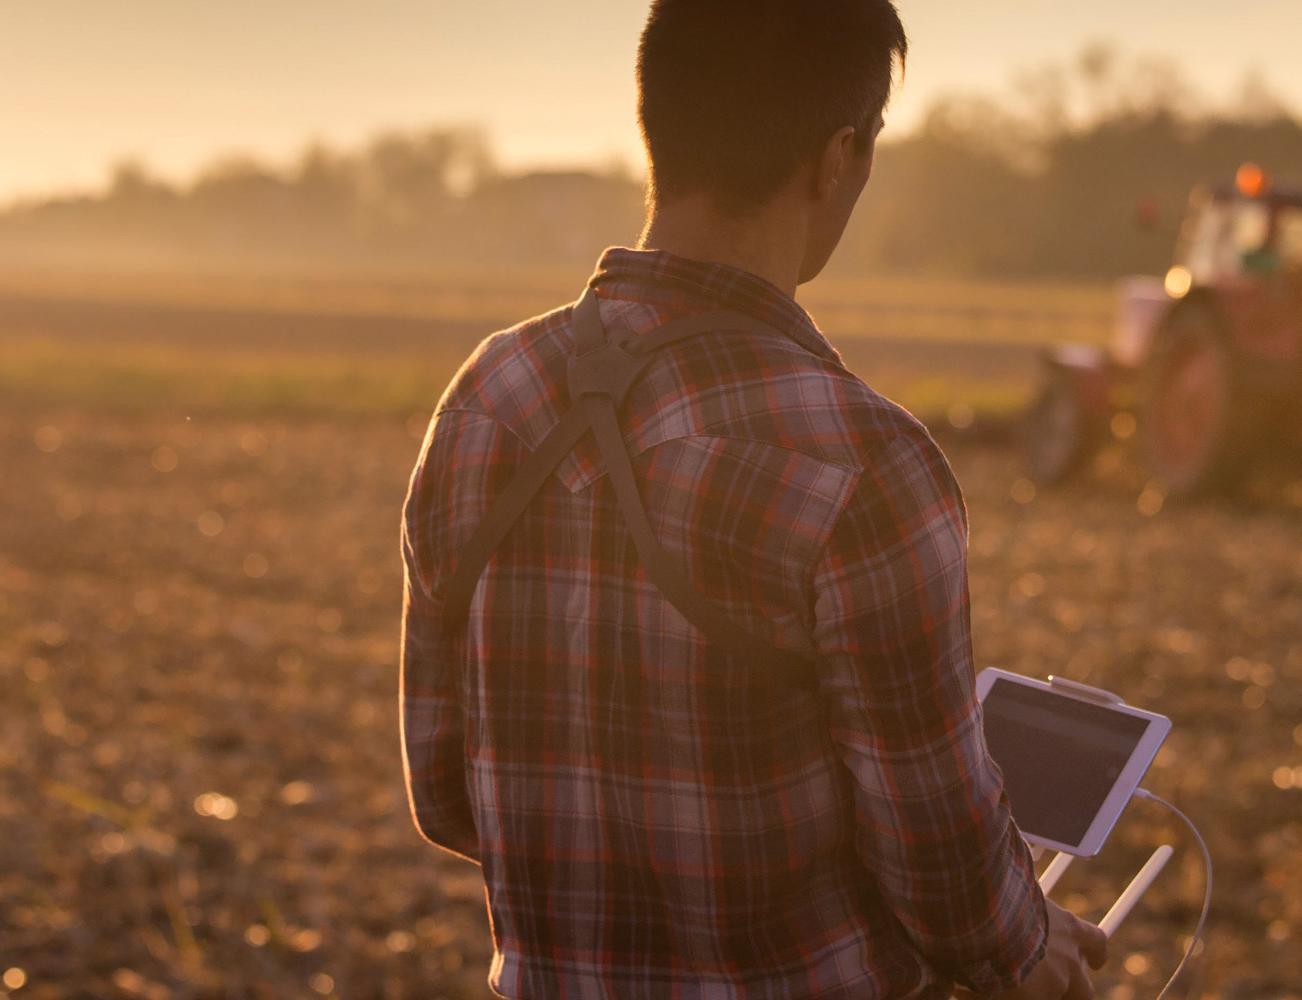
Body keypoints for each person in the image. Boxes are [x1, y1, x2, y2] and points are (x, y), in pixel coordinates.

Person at [399, 2, 1109, 997]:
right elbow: (943, 873)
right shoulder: (863, 458)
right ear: (837, 157)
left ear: (657, 120)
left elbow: (444, 793)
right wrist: (1034, 946)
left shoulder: (488, 394)